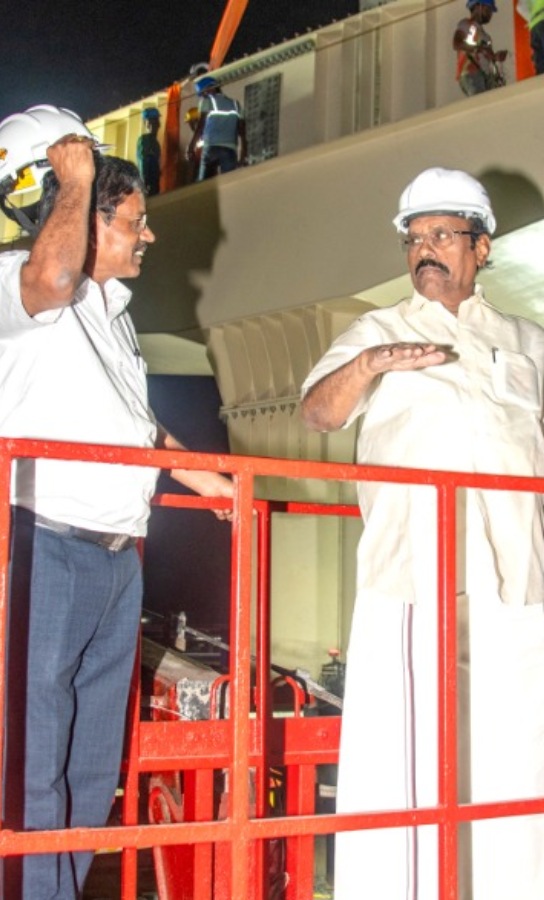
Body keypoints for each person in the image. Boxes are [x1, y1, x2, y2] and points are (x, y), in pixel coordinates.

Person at [300, 166, 544, 900]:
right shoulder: (378, 330)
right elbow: (320, 412)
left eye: (444, 234)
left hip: (509, 579)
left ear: (482, 247)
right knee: (402, 759)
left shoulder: (527, 343)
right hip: (412, 578)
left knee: (512, 757)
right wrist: (371, 363)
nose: (426, 249)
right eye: (415, 238)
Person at [0, 104, 233, 899]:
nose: (148, 235)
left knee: (93, 768)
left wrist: (200, 476)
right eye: (132, 221)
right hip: (44, 547)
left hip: (115, 558)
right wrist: (76, 180)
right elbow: (52, 277)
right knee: (35, 763)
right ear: (82, 218)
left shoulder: (111, 315)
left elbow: (131, 422)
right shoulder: (20, 284)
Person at [188, 76, 246, 181]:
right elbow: (242, 134)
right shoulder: (236, 104)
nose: (202, 96)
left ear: (209, 89)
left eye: (202, 93)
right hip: (230, 151)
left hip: (211, 149)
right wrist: (242, 156)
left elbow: (200, 126)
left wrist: (191, 147)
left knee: (203, 185)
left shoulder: (207, 101)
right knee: (229, 183)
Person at [454, 0, 508, 96]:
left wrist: (496, 57)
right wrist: (478, 49)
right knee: (480, 100)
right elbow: (457, 44)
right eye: (488, 9)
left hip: (485, 76)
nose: (490, 14)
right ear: (478, 6)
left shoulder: (486, 36)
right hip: (471, 73)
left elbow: (489, 57)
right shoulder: (466, 24)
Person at [137, 108, 161, 196]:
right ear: (146, 124)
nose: (154, 125)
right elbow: (144, 162)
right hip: (149, 185)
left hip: (154, 183)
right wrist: (146, 184)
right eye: (151, 123)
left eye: (155, 122)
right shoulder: (145, 140)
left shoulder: (155, 142)